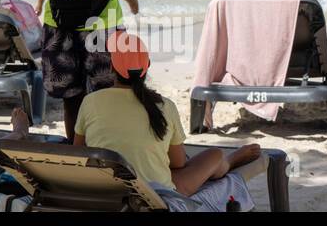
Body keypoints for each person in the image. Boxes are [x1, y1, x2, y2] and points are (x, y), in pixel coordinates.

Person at [74, 32, 262, 211]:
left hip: (105, 190)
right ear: (146, 67)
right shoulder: (165, 106)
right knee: (214, 155)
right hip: (154, 195)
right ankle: (228, 162)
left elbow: (79, 151)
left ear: (112, 68)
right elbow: (178, 163)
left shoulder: (90, 101)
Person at [30, 0, 138, 141]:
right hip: (59, 21)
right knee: (70, 96)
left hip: (104, 22)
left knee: (108, 94)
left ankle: (107, 151)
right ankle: (76, 151)